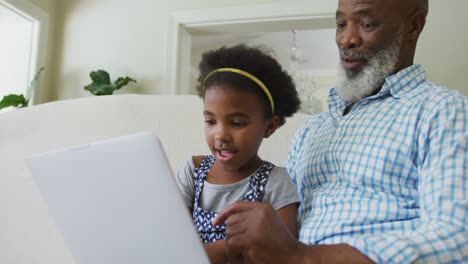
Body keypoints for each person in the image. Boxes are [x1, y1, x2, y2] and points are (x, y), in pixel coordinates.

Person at [213, 0, 468, 263]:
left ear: (413, 26)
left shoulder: (444, 112)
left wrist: (304, 258)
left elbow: (457, 238)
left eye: (366, 24)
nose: (346, 39)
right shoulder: (314, 128)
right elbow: (282, 226)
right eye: (340, 24)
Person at [175, 44, 301, 263]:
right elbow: (171, 236)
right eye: (210, 121)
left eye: (237, 123)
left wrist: (222, 250)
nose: (220, 135)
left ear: (269, 126)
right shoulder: (193, 172)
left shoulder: (277, 183)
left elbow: (285, 252)